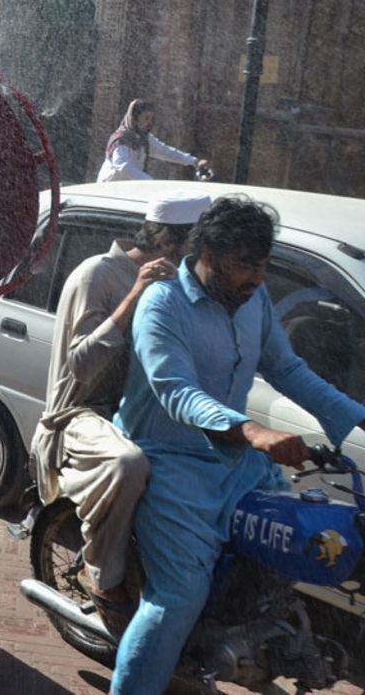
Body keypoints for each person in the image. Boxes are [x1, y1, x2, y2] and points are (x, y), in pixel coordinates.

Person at [110, 196, 365, 694]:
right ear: (204, 251)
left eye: (262, 265)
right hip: (171, 464)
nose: (255, 278)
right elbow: (176, 391)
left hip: (239, 467)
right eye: (242, 265)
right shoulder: (162, 304)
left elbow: (287, 369)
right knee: (179, 597)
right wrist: (252, 431)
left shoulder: (255, 301)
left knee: (291, 548)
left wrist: (355, 421)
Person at [29, 193, 210, 636]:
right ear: (168, 239)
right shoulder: (100, 274)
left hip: (136, 416)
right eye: (197, 245)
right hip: (79, 415)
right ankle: (105, 580)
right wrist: (135, 293)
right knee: (129, 465)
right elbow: (82, 366)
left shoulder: (180, 284)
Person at [97, 99, 211, 183]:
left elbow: (166, 151)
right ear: (135, 119)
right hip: (109, 190)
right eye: (146, 118)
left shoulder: (145, 139)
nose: (150, 123)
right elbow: (123, 166)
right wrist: (150, 183)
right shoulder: (120, 139)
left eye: (152, 119)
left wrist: (194, 161)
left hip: (129, 190)